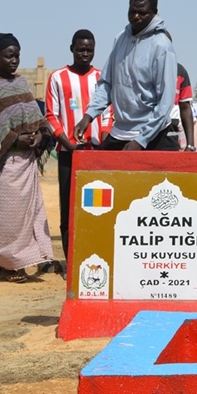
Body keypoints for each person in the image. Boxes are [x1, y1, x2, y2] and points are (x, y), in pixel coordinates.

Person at [0, 33, 57, 282]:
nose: (14, 60)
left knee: (28, 215)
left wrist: (40, 136)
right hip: (4, 164)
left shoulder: (22, 83)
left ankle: (18, 260)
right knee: (4, 217)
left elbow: (38, 117)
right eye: (9, 55)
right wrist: (14, 138)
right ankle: (5, 264)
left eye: (17, 56)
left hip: (27, 163)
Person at [75, 0, 179, 152]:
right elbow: (107, 83)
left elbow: (165, 102)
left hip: (153, 135)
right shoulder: (120, 39)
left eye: (142, 13)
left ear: (155, 13)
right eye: (132, 11)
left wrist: (140, 140)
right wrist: (88, 116)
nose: (135, 17)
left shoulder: (162, 46)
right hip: (120, 132)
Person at [46, 30, 112, 257]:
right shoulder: (57, 77)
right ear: (72, 48)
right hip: (68, 153)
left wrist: (102, 146)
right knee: (68, 207)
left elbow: (107, 114)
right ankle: (70, 260)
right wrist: (69, 144)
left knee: (97, 206)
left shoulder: (102, 78)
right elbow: (51, 116)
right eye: (81, 49)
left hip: (96, 155)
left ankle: (94, 254)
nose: (85, 54)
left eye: (90, 50)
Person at [171, 63, 196, 151]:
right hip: (143, 129)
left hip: (170, 128)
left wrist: (190, 145)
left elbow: (185, 107)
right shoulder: (144, 67)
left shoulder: (179, 70)